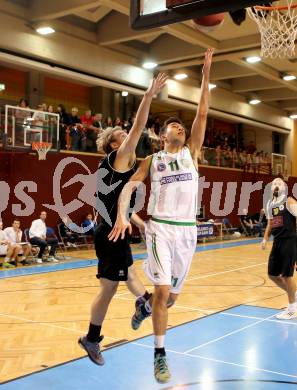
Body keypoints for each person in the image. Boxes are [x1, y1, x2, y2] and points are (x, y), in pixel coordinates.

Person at [109, 49, 213, 383]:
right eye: (173, 125)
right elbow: (127, 188)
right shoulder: (153, 161)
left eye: (182, 125)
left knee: (169, 300)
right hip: (160, 231)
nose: (180, 127)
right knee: (165, 293)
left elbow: (202, 113)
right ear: (163, 135)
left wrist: (206, 72)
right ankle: (159, 355)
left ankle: (145, 305)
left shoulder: (191, 153)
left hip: (187, 233)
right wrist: (124, 213)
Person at [78, 73, 168, 367]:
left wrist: (140, 223)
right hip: (110, 231)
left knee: (127, 272)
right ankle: (94, 336)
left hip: (115, 227)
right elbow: (140, 126)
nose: (127, 134)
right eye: (121, 134)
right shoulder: (119, 156)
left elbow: (121, 202)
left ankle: (142, 303)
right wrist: (148, 96)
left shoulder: (119, 169)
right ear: (115, 143)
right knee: (109, 287)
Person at [262, 177, 297, 319]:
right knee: (272, 275)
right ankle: (294, 294)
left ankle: (292, 309)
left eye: (279, 183)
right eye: (274, 183)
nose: (276, 185)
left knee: (287, 276)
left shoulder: (289, 201)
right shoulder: (270, 204)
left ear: (284, 187)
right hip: (277, 241)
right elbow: (270, 224)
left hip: (290, 240)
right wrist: (264, 239)